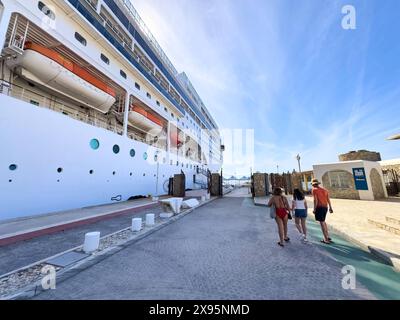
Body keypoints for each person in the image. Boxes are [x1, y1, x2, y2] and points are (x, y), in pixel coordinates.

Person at [311, 179, 334, 244]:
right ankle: (328, 236)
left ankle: (326, 239)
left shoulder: (314, 190)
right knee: (323, 221)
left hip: (319, 207)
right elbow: (328, 199)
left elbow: (315, 200)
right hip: (325, 207)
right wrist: (330, 207)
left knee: (321, 223)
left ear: (313, 184)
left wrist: (314, 209)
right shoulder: (325, 190)